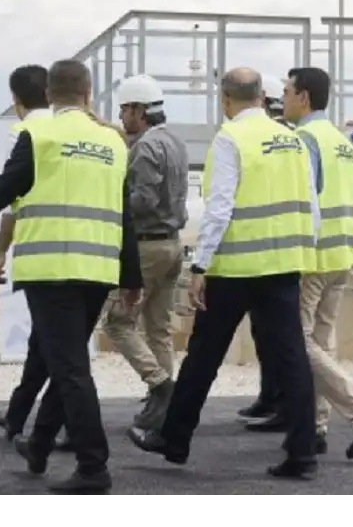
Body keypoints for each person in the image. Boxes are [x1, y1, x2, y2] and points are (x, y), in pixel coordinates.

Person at [0, 59, 142, 495]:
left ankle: (93, 466)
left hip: (51, 270)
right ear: (88, 93)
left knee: (70, 368)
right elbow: (124, 213)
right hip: (99, 269)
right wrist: (132, 278)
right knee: (63, 360)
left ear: (50, 95)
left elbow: (4, 189)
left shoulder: (40, 135)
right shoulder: (113, 141)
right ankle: (38, 445)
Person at [127, 67, 320, 480]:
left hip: (236, 268)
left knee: (204, 356)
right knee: (292, 359)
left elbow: (219, 208)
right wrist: (305, 251)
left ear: (226, 99)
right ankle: (302, 451)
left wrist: (201, 264)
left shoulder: (230, 139)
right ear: (262, 97)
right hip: (284, 264)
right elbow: (311, 203)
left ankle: (174, 438)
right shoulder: (292, 139)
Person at [284, 66, 353, 459]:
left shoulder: (304, 141)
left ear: (303, 97)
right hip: (343, 253)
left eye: (287, 92)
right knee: (321, 343)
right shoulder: (343, 144)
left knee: (296, 340)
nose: (282, 99)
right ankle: (317, 427)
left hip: (315, 256)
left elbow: (305, 201)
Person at [0, 64, 72, 450]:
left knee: (57, 350)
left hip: (41, 255)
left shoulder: (25, 133)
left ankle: (66, 426)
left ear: (16, 100)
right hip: (82, 254)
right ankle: (18, 414)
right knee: (45, 343)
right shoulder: (70, 129)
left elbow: (11, 199)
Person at [102, 74, 189, 431]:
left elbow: (144, 200)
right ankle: (165, 409)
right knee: (159, 328)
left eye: (125, 109)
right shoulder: (175, 142)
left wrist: (110, 203)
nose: (122, 117)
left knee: (118, 323)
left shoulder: (144, 148)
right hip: (173, 244)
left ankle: (159, 384)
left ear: (139, 110)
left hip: (147, 247)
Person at [235, 73, 290, 432]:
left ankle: (281, 402)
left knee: (279, 337)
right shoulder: (285, 138)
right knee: (266, 333)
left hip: (272, 250)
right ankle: (271, 396)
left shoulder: (279, 139)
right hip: (273, 249)